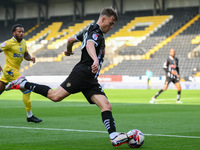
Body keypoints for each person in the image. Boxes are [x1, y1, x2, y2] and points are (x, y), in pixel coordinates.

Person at [6, 8, 133, 147]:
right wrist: (95, 60)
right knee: (55, 96)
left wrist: (69, 50)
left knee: (106, 105)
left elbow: (71, 39)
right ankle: (24, 83)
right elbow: (90, 44)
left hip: (90, 79)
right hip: (83, 73)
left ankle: (114, 136)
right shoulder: (95, 32)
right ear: (103, 19)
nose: (112, 26)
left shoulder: (88, 30)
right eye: (111, 23)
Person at [0, 24, 42, 123]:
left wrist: (30, 58)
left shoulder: (23, 43)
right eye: (19, 32)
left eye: (22, 31)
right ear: (14, 33)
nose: (21, 33)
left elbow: (25, 55)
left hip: (14, 71)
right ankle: (29, 116)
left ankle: (10, 85)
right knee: (26, 89)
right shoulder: (8, 43)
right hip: (9, 70)